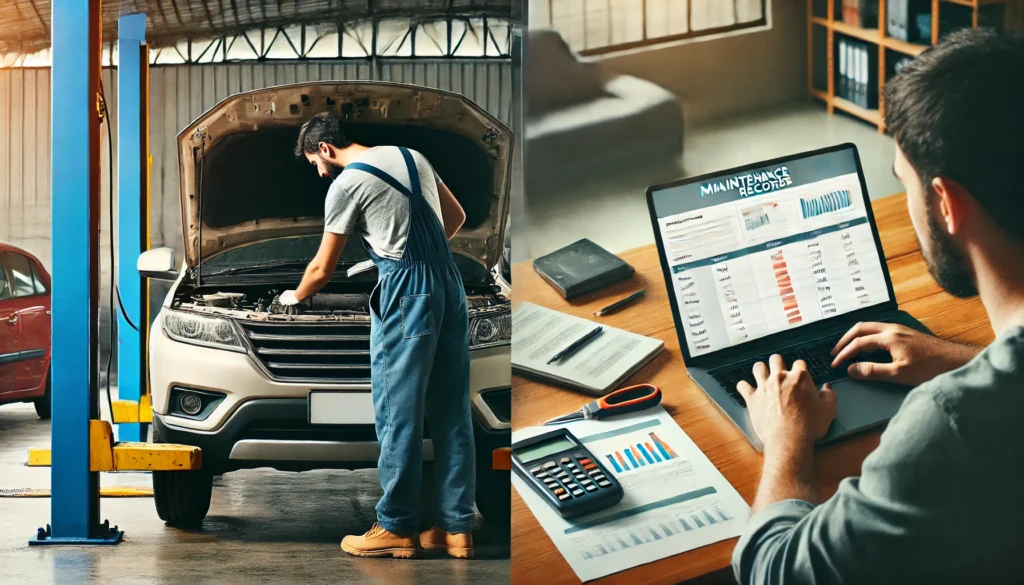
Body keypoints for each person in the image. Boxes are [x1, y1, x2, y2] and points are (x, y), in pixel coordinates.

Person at [731, 29, 1024, 584]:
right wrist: (970, 360)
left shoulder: (949, 426)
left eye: (904, 184)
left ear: (945, 202)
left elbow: (776, 572)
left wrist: (787, 438)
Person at [286, 112, 476, 559]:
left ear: (326, 150)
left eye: (315, 161)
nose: (318, 170)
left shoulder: (345, 183)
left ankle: (396, 526)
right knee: (451, 411)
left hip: (408, 294)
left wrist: (293, 297)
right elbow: (458, 217)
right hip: (450, 286)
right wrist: (410, 255)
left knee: (398, 413)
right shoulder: (413, 156)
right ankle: (456, 528)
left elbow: (322, 268)